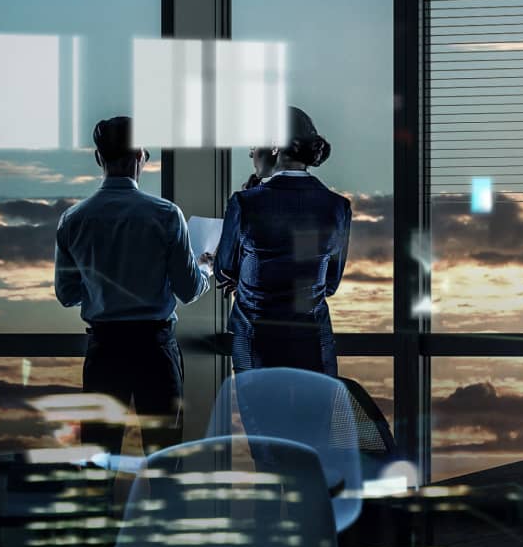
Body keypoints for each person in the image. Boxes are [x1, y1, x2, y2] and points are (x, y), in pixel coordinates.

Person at [54, 116, 211, 453]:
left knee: (98, 458)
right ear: (141, 156)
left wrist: (100, 282)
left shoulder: (74, 219)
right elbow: (188, 289)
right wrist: (205, 270)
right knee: (163, 455)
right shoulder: (165, 215)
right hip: (154, 348)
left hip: (104, 349)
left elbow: (66, 295)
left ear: (99, 158)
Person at [214, 106, 351, 376]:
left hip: (257, 342)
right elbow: (330, 284)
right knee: (314, 416)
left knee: (263, 417)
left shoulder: (245, 202)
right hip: (313, 342)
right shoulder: (337, 206)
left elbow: (224, 269)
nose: (252, 153)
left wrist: (242, 274)